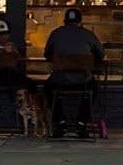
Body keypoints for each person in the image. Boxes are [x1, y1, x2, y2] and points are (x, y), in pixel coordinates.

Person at [44, 8, 105, 137]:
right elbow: (101, 55)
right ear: (79, 21)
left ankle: (60, 123)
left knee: (47, 88)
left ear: (65, 21)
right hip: (83, 81)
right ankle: (81, 123)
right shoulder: (88, 34)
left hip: (60, 81)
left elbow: (47, 55)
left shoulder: (56, 33)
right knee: (94, 89)